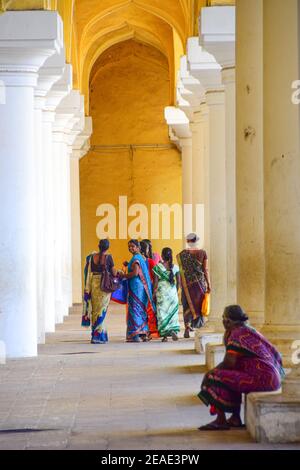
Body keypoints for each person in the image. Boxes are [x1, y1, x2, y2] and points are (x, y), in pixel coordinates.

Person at [198, 305, 284, 431]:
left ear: (228, 321)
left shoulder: (237, 334)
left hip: (263, 379)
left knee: (213, 376)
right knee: (233, 375)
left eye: (224, 318)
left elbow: (228, 363)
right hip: (272, 378)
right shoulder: (248, 330)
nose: (223, 321)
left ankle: (220, 420)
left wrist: (212, 371)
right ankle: (235, 418)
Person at [83, 239, 121, 344]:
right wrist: (120, 272)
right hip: (104, 286)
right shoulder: (108, 257)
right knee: (102, 310)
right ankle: (99, 336)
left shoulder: (91, 257)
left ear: (98, 246)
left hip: (94, 285)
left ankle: (95, 335)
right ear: (107, 247)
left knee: (95, 310)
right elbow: (113, 272)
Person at [177, 233, 211, 338]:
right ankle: (198, 328)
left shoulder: (181, 255)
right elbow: (205, 270)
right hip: (199, 284)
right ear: (197, 241)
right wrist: (209, 283)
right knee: (198, 305)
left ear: (187, 241)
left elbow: (181, 271)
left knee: (187, 305)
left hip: (187, 285)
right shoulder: (202, 253)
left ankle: (187, 327)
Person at [122, 240, 155, 343]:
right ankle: (143, 333)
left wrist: (123, 275)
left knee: (135, 310)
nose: (130, 248)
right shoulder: (141, 257)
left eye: (132, 246)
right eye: (129, 246)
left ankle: (135, 335)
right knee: (141, 309)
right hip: (140, 287)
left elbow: (135, 273)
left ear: (138, 247)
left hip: (136, 287)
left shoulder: (136, 258)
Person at [153, 248, 181, 342]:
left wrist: (153, 293)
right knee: (172, 314)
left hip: (162, 294)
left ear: (162, 255)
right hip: (172, 293)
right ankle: (173, 331)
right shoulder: (175, 267)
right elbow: (179, 283)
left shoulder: (157, 267)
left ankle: (165, 336)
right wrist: (175, 292)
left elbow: (156, 283)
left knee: (162, 314)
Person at [140, 240, 159, 339]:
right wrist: (155, 289)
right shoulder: (148, 261)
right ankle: (148, 331)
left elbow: (155, 276)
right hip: (147, 288)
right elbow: (156, 276)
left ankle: (147, 331)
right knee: (149, 310)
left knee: (146, 310)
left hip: (143, 289)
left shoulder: (145, 261)